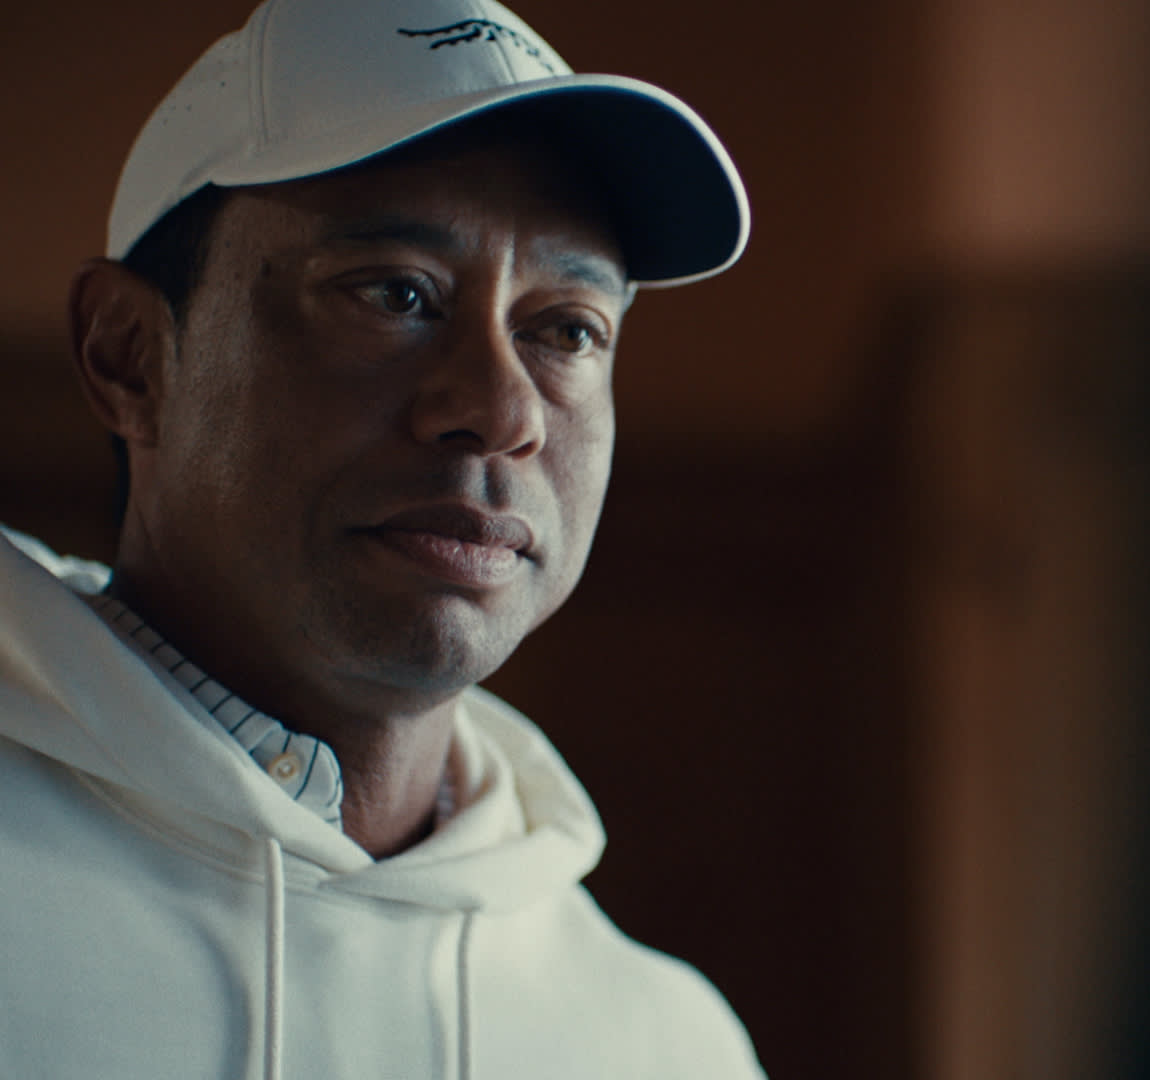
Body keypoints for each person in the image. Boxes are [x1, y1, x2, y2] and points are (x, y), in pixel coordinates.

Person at [0, 1, 762, 1076]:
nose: (501, 408)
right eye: (397, 294)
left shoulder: (662, 1044)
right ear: (130, 356)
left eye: (565, 331)